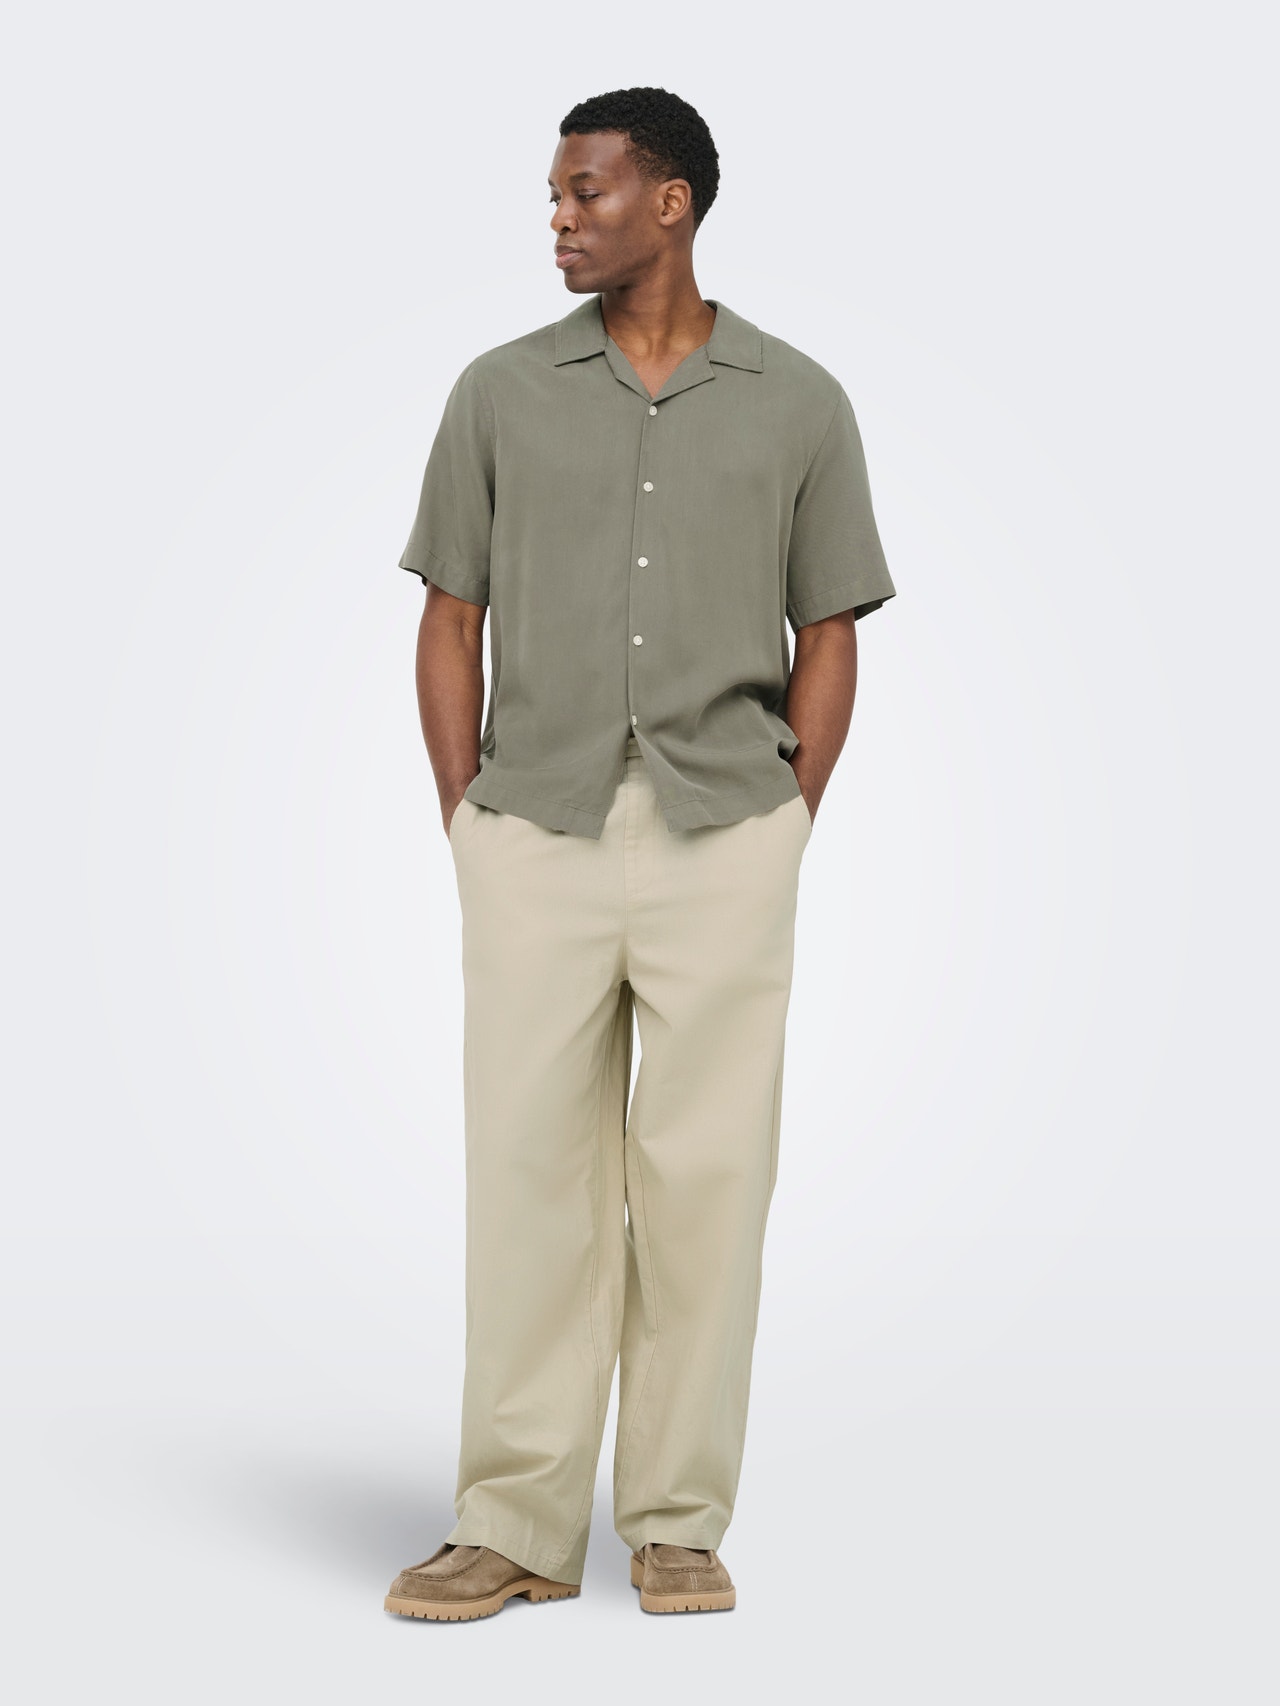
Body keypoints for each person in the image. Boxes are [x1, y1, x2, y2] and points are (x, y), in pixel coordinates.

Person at [385, 85, 897, 1622]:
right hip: (531, 828)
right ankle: (513, 1521)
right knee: (527, 1174)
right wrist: (467, 819)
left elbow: (830, 629)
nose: (560, 218)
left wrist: (787, 818)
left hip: (726, 832)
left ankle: (677, 1516)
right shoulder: (497, 391)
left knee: (707, 1180)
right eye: (556, 196)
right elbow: (450, 620)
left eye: (585, 192)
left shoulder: (799, 401)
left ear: (669, 203)